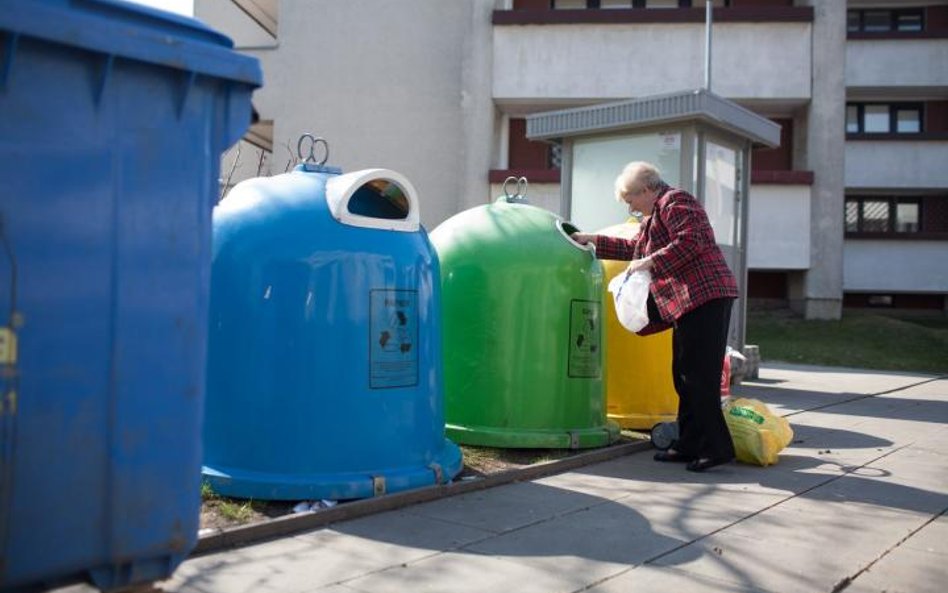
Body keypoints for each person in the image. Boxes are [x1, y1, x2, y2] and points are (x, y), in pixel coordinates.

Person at [571, 161, 737, 472]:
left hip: (707, 297)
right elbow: (633, 248)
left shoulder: (676, 201)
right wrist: (591, 239)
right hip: (690, 303)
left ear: (647, 190)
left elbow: (692, 241)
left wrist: (649, 262)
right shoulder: (654, 216)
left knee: (699, 377)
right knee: (683, 376)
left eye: (631, 198)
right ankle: (688, 445)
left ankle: (716, 448)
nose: (629, 206)